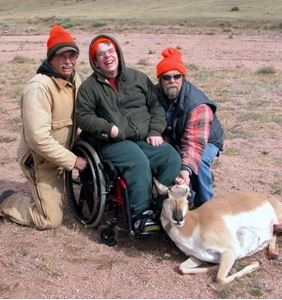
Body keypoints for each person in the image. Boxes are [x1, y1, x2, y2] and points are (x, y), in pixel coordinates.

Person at [76, 35, 181, 234]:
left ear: (118, 53)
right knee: (138, 162)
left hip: (142, 137)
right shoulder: (89, 88)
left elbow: (156, 106)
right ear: (94, 61)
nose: (108, 57)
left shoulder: (138, 78)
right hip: (111, 142)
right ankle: (139, 215)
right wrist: (108, 128)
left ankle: (159, 205)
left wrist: (155, 130)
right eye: (101, 54)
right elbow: (83, 117)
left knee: (171, 157)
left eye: (111, 51)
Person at [0, 25, 87, 229]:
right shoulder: (38, 88)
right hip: (40, 161)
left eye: (72, 56)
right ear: (51, 59)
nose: (68, 62)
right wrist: (74, 161)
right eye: (62, 56)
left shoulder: (76, 79)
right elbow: (38, 140)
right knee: (50, 219)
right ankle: (8, 200)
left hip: (62, 154)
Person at [155, 47, 224, 207]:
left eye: (176, 76)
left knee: (198, 164)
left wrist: (185, 169)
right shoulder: (155, 94)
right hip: (176, 136)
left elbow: (194, 144)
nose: (172, 80)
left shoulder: (197, 104)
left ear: (183, 77)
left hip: (205, 140)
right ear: (160, 80)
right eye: (166, 77)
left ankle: (206, 206)